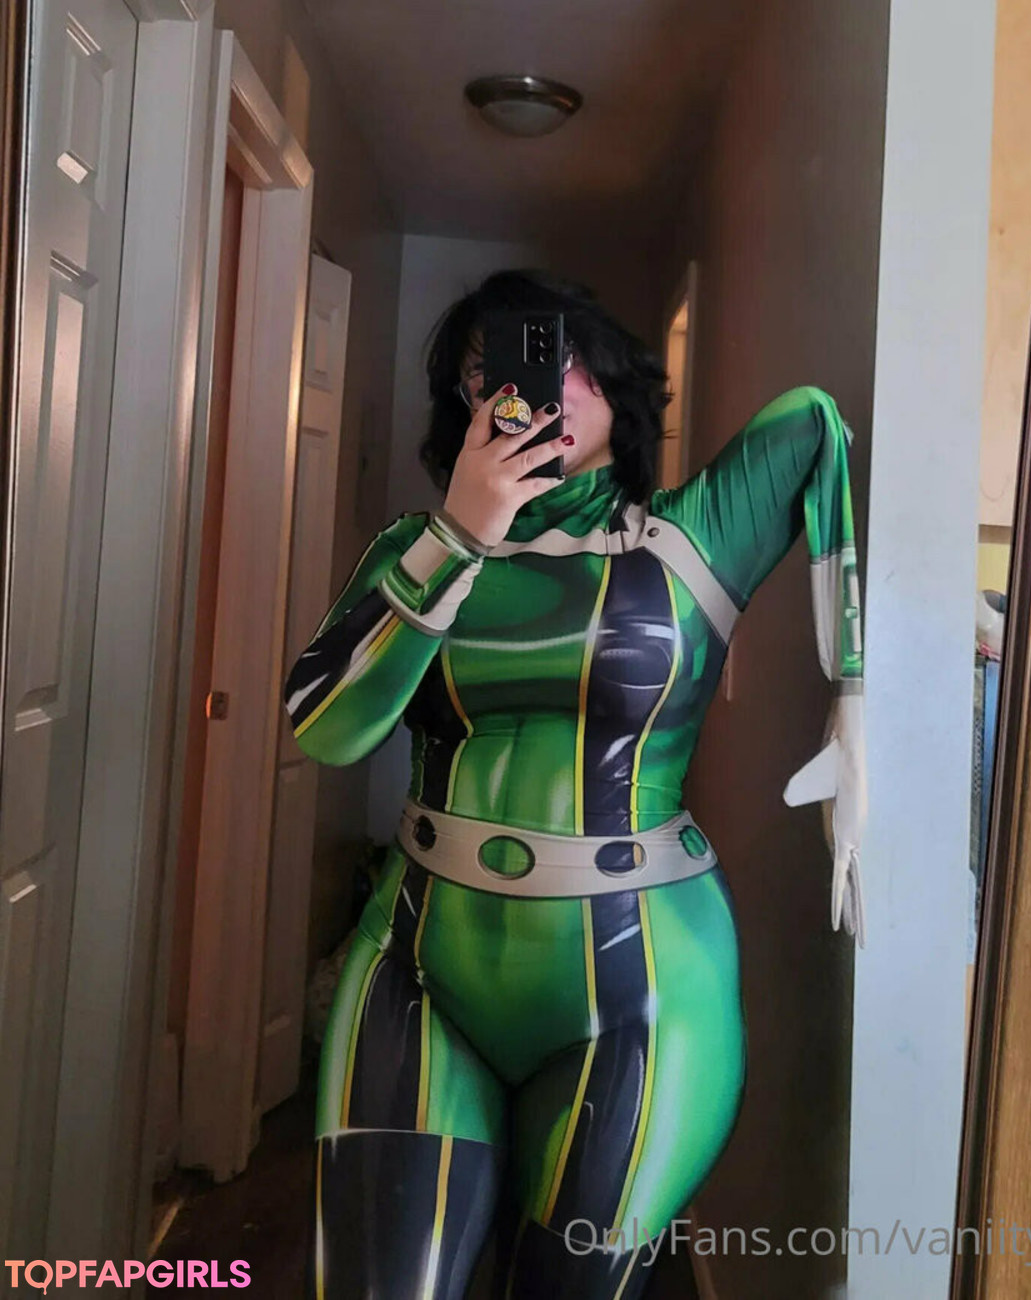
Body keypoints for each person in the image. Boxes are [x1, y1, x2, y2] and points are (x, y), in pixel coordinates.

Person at [285, 269, 867, 1300]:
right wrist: (460, 535)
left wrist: (857, 695)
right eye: (491, 372)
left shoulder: (689, 541)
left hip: (644, 987)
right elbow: (325, 729)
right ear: (467, 403)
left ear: (610, 378)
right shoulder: (414, 550)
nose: (534, 387)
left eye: (559, 355)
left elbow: (811, 425)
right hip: (417, 967)